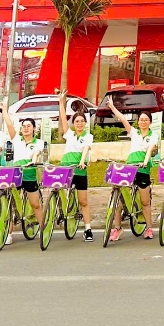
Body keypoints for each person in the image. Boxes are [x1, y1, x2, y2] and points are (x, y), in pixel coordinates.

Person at [106, 99, 163, 242]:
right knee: (119, 199)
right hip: (129, 168)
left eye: (146, 120)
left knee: (145, 201)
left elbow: (151, 148)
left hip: (143, 168)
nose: (143, 122)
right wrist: (112, 106)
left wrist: (145, 161)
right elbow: (122, 118)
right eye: (141, 120)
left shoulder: (153, 135)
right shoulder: (134, 133)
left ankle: (149, 227)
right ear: (138, 122)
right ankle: (117, 228)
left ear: (149, 122)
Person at [56, 92, 96, 241]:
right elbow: (63, 118)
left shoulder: (88, 136)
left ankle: (88, 228)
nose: (79, 123)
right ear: (74, 123)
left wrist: (82, 161)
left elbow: (86, 148)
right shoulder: (69, 134)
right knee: (58, 191)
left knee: (83, 201)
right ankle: (61, 212)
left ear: (85, 123)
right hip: (66, 168)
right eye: (77, 121)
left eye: (81, 121)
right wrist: (61, 102)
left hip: (79, 169)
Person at [3, 112, 47, 234]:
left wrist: (33, 162)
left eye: (29, 126)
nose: (26, 128)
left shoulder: (39, 142)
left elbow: (37, 153)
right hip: (16, 175)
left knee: (35, 204)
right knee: (10, 204)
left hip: (30, 175)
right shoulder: (16, 140)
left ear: (34, 128)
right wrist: (4, 110)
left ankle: (43, 230)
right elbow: (9, 124)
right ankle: (9, 234)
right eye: (24, 126)